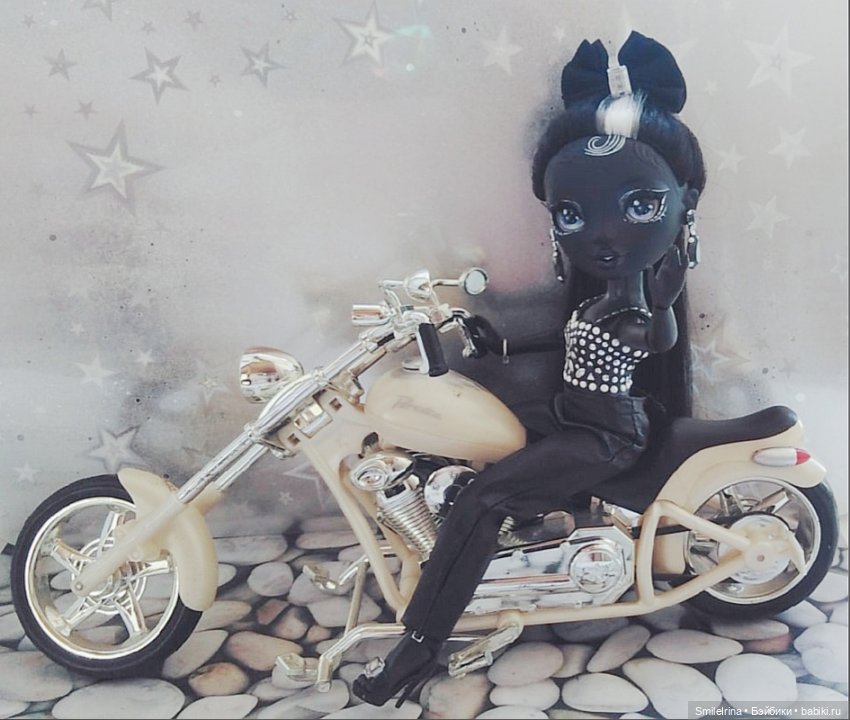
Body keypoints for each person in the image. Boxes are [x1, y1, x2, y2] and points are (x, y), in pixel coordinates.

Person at [353, 30, 707, 707]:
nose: (601, 235)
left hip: (607, 435)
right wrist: (490, 348)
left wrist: (662, 295)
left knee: (483, 501)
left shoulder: (637, 309)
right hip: (573, 414)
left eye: (639, 206)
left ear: (682, 206)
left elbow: (653, 336)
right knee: (467, 439)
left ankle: (419, 645)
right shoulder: (598, 301)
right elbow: (569, 347)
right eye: (572, 214)